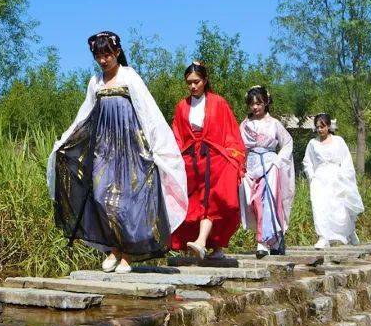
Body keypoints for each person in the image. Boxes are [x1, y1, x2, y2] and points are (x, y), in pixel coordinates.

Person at [48, 31, 188, 273]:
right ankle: (114, 247)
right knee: (102, 197)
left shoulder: (129, 77)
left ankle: (126, 254)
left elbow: (148, 112)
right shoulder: (95, 82)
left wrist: (155, 146)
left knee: (127, 201)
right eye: (98, 55)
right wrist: (65, 141)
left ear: (117, 52)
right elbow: (84, 116)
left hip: (131, 148)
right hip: (104, 148)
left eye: (107, 54)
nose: (103, 60)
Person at [169, 62, 245, 260]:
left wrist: (233, 158)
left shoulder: (219, 103)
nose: (193, 86)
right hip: (191, 159)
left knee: (212, 200)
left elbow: (230, 132)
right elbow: (177, 134)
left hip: (214, 158)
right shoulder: (181, 106)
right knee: (191, 201)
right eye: (189, 83)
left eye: (196, 82)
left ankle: (210, 243)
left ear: (205, 80)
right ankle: (194, 245)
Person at [239, 86, 295, 258]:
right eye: (252, 104)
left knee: (267, 201)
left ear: (266, 103)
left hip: (269, 166)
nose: (255, 107)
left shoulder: (274, 123)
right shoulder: (245, 125)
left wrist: (278, 162)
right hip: (251, 166)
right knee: (253, 202)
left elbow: (287, 142)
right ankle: (276, 239)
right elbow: (239, 147)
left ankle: (262, 242)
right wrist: (241, 166)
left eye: (259, 103)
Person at [302, 113, 364, 249]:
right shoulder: (313, 144)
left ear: (328, 126)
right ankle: (323, 237)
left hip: (336, 177)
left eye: (322, 127)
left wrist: (345, 176)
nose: (319, 130)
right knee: (320, 207)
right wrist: (312, 177)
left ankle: (349, 231)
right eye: (317, 127)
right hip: (320, 179)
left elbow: (346, 159)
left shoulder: (338, 141)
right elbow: (307, 162)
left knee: (339, 207)